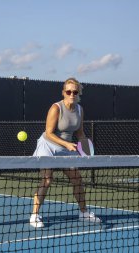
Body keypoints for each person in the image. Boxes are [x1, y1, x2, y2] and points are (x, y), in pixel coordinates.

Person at [29, 77, 101, 228]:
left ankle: (83, 213)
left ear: (78, 92)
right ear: (63, 92)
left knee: (77, 179)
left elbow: (80, 134)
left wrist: (86, 149)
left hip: (66, 148)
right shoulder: (56, 108)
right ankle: (34, 215)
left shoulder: (80, 110)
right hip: (48, 146)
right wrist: (67, 144)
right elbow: (48, 133)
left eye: (75, 91)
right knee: (47, 180)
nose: (72, 94)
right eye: (68, 91)